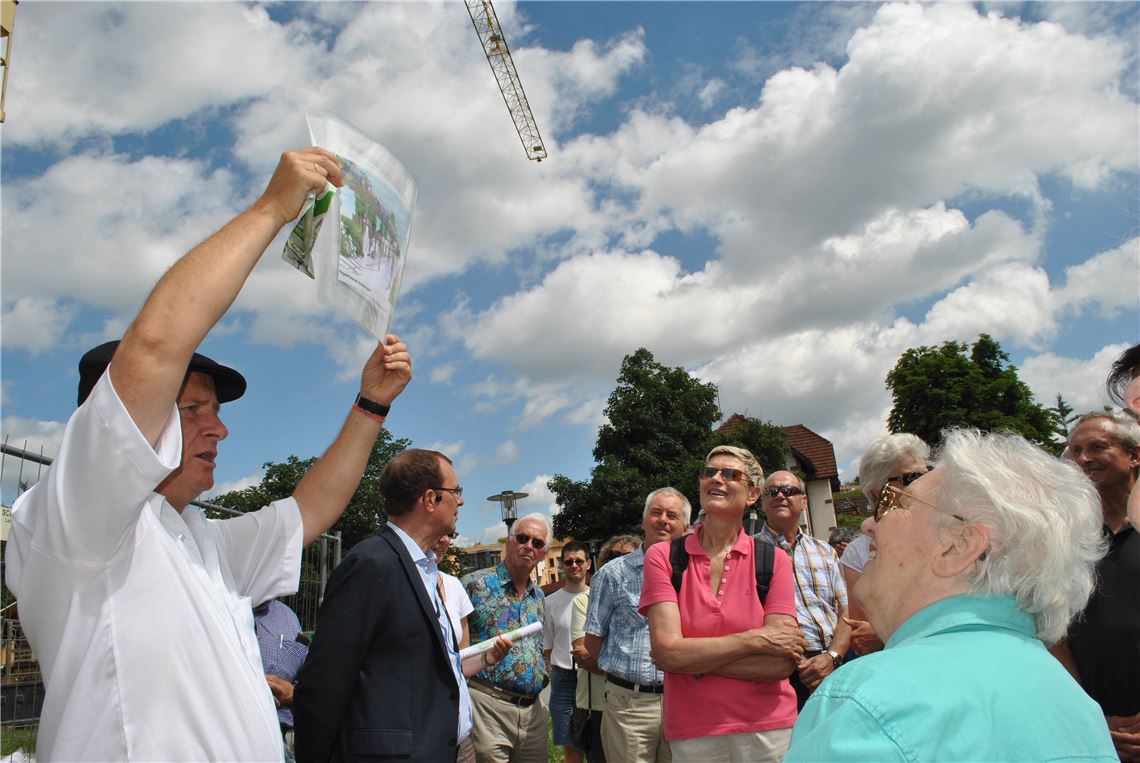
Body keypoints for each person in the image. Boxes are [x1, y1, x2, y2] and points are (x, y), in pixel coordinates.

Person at [3, 148, 417, 762]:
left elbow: (309, 510)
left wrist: (370, 406)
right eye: (192, 409)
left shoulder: (200, 540)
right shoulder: (79, 518)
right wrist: (273, 209)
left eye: (216, 412)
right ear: (113, 420)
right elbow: (154, 343)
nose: (218, 430)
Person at [784, 429, 1116, 762]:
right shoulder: (1078, 704)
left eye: (894, 503)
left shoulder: (864, 702)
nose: (869, 525)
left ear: (959, 546)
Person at [293, 449, 511, 763]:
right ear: (430, 499)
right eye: (456, 492)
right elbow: (323, 684)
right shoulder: (370, 565)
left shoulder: (426, 568)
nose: (461, 501)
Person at [641, 447, 802, 762]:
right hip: (694, 730)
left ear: (753, 494)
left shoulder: (774, 560)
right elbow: (666, 652)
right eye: (709, 472)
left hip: (768, 728)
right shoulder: (663, 557)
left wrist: (693, 659)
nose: (715, 478)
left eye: (729, 474)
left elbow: (781, 663)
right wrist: (753, 640)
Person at [1053, 411, 1140, 761]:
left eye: (1097, 447)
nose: (1083, 458)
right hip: (1100, 734)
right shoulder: (1062, 541)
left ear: (1135, 455)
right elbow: (1052, 635)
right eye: (1075, 451)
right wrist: (1088, 717)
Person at [584, 489, 689, 763]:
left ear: (685, 527)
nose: (663, 520)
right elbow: (592, 640)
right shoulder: (612, 573)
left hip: (683, 701)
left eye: (672, 515)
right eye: (656, 513)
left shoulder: (696, 575)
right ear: (643, 522)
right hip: (629, 705)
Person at [757, 470, 850, 709]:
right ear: (762, 502)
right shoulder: (748, 552)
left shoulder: (824, 551)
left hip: (835, 664)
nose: (780, 496)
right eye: (772, 491)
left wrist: (832, 657)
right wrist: (805, 664)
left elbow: (846, 611)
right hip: (782, 670)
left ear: (804, 501)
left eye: (789, 491)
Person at [463, 512, 551, 762]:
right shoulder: (474, 584)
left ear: (544, 553)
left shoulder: (539, 596)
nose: (529, 546)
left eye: (537, 543)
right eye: (523, 538)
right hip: (488, 707)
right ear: (509, 542)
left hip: (533, 712)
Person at [840, 433, 930, 657]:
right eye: (911, 478)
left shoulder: (950, 533)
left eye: (927, 475)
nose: (925, 484)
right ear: (877, 492)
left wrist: (885, 632)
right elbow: (861, 634)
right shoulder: (858, 552)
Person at [571, 536, 639, 763]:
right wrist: (630, 663)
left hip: (638, 703)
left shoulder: (651, 597)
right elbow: (582, 654)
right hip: (596, 704)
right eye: (612, 556)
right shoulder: (584, 600)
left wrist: (603, 657)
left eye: (626, 556)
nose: (618, 561)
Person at [544, 541, 592, 763]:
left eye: (579, 561)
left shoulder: (597, 598)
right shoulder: (551, 602)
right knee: (569, 744)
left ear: (588, 564)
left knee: (593, 741)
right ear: (562, 565)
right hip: (563, 677)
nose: (574, 565)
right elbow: (548, 646)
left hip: (592, 676)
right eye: (569, 562)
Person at [254, 598, 309, 762]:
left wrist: (293, 693)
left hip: (279, 738)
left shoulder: (286, 615)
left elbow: (307, 676)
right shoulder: (214, 608)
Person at [436, 532, 475, 648]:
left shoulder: (454, 584)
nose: (445, 540)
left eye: (449, 534)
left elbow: (464, 654)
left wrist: (488, 658)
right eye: (438, 529)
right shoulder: (400, 582)